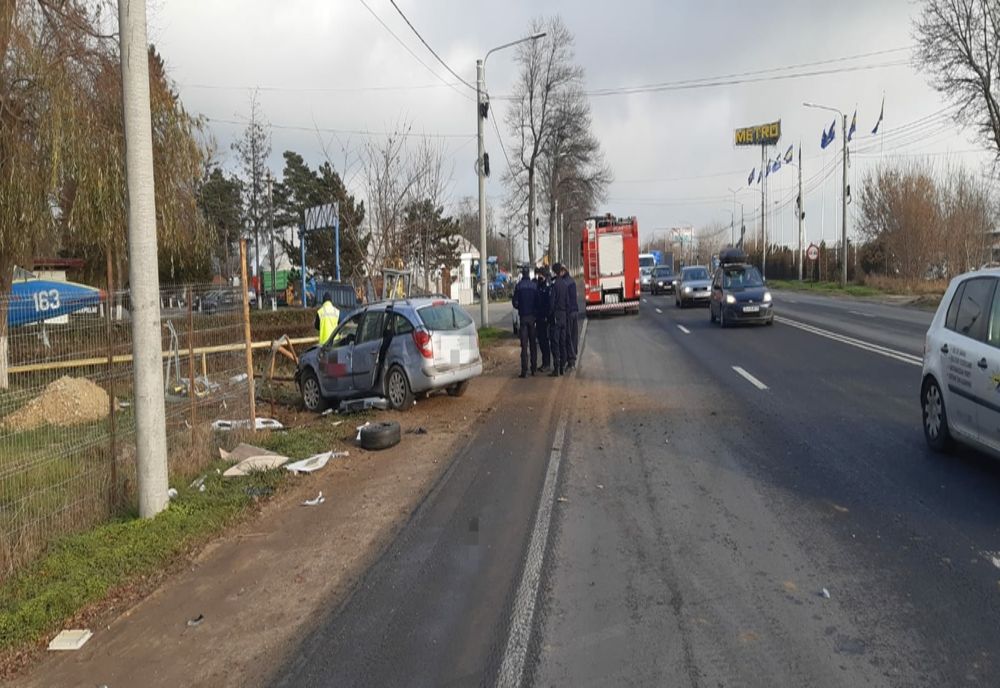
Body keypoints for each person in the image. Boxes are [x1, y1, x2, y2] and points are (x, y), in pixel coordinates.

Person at [512, 267, 539, 377]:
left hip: (523, 318)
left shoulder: (519, 286)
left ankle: (524, 371)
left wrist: (520, 307)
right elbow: (538, 302)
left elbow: (514, 302)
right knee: (533, 344)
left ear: (522, 274)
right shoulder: (534, 286)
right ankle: (534, 368)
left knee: (524, 345)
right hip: (532, 318)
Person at [549, 263, 571, 376]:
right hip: (564, 316)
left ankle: (556, 368)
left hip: (557, 316)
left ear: (554, 272)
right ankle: (562, 366)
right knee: (563, 342)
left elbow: (552, 303)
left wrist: (550, 314)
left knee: (555, 342)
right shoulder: (564, 284)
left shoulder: (554, 285)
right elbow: (568, 303)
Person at [562, 264, 579, 370]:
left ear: (563, 271)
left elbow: (565, 300)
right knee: (574, 335)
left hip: (568, 312)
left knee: (568, 337)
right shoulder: (572, 281)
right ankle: (573, 356)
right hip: (575, 311)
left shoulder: (564, 283)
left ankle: (571, 360)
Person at [535, 267, 552, 372]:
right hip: (538, 317)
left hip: (544, 318)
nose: (539, 276)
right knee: (541, 341)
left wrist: (546, 316)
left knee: (545, 341)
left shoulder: (547, 287)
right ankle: (544, 363)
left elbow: (548, 303)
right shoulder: (538, 285)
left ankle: (547, 363)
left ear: (544, 276)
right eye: (538, 275)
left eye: (540, 275)